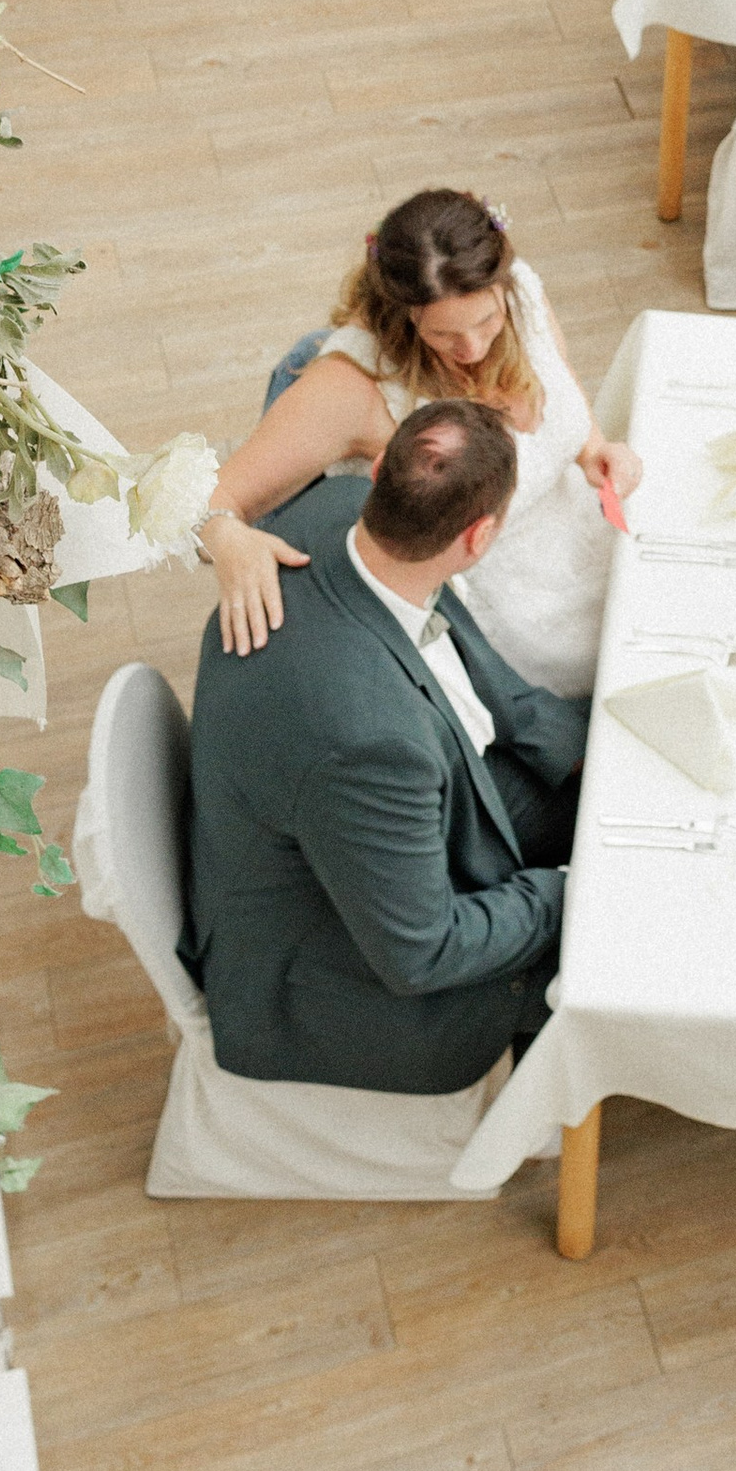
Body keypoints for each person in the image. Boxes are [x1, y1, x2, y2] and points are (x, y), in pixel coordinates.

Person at [183, 401, 579, 1097]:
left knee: (606, 795)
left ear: (376, 473)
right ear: (480, 535)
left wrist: (583, 755)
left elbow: (468, 663)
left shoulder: (338, 510)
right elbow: (422, 953)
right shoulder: (369, 746)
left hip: (384, 808)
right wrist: (568, 893)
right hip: (334, 986)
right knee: (620, 953)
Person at [195, 185, 637, 696]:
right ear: (405, 313)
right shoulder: (353, 386)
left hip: (601, 543)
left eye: (487, 321)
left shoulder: (519, 288)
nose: (471, 347)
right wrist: (227, 540)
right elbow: (204, 502)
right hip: (519, 629)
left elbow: (559, 382)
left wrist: (594, 449)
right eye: (445, 335)